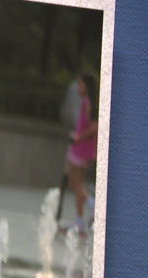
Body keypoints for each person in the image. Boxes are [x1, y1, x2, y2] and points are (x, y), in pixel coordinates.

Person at [65, 72, 98, 235]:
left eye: (80, 85)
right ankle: (82, 217)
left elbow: (94, 126)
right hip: (82, 148)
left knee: (76, 184)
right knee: (75, 184)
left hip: (81, 148)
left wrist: (78, 137)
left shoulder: (88, 103)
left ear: (88, 87)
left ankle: (83, 216)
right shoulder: (88, 102)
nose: (78, 88)